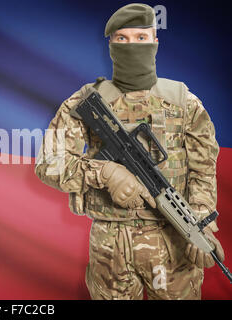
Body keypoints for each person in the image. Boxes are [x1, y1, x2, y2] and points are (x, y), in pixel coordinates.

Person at [35, 3, 225, 300]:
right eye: (122, 39)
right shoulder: (87, 101)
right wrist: (106, 172)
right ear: (110, 44)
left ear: (155, 42)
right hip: (110, 247)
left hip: (173, 248)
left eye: (141, 38)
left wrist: (199, 227)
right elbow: (48, 163)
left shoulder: (184, 102)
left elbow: (203, 170)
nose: (132, 46)